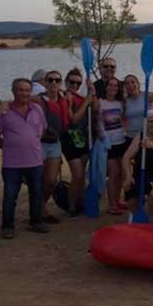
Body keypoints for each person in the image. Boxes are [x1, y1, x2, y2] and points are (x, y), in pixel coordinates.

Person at [0, 78, 50, 239]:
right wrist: (8, 147)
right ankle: (7, 226)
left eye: (27, 90)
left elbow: (43, 130)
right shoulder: (4, 112)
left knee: (36, 193)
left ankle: (36, 222)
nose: (24, 93)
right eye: (20, 90)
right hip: (12, 163)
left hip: (35, 160)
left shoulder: (37, 109)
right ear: (13, 91)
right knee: (10, 195)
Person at [36, 70, 70, 224]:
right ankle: (41, 210)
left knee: (50, 181)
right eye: (51, 80)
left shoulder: (64, 98)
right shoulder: (38, 100)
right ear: (45, 82)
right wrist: (3, 105)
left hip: (55, 144)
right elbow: (17, 102)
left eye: (57, 80)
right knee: (38, 179)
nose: (54, 83)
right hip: (40, 144)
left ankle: (39, 206)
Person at [62, 68, 93, 217]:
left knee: (81, 176)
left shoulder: (79, 97)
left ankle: (79, 201)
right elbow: (73, 119)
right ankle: (71, 206)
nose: (75, 85)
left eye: (78, 83)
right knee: (78, 175)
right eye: (72, 82)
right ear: (66, 82)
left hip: (83, 139)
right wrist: (87, 102)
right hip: (70, 139)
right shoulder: (65, 96)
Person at [96, 77, 127, 214]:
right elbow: (96, 122)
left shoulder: (120, 103)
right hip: (108, 143)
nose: (113, 88)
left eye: (116, 85)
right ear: (106, 87)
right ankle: (111, 204)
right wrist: (102, 136)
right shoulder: (100, 102)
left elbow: (123, 120)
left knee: (121, 173)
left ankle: (117, 200)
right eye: (110, 85)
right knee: (113, 174)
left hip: (121, 140)